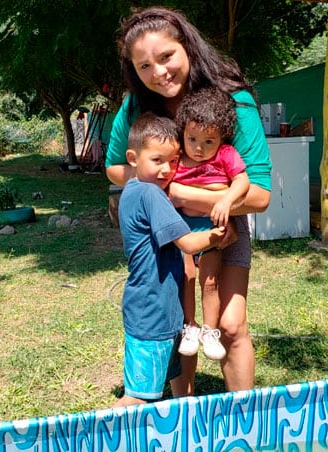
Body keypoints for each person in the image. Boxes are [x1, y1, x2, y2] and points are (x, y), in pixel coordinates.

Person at [106, 6, 272, 394]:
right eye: (144, 66)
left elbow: (260, 195)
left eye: (166, 57)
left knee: (230, 326)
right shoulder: (135, 108)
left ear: (189, 48)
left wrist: (181, 192)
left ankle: (245, 420)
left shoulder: (233, 102)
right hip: (169, 235)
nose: (158, 72)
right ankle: (185, 414)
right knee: (181, 324)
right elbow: (115, 167)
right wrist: (173, 192)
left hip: (222, 229)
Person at [114, 112, 225, 407]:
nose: (167, 169)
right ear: (133, 158)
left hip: (157, 309)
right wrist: (219, 235)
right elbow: (188, 243)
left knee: (165, 388)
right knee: (138, 399)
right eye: (157, 160)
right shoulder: (151, 194)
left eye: (174, 161)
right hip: (152, 313)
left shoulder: (132, 191)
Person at [173, 87, 249, 362]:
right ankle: (189, 326)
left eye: (208, 141)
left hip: (212, 230)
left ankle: (209, 330)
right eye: (192, 139)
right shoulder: (177, 157)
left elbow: (242, 181)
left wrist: (226, 201)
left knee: (210, 280)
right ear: (182, 133)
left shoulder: (225, 155)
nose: (199, 148)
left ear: (222, 138)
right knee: (186, 278)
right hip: (181, 230)